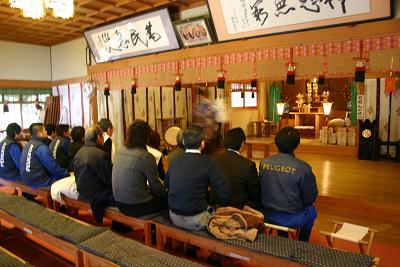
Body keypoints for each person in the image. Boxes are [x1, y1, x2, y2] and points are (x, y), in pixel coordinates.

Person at [165, 125, 230, 231]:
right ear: (202, 143)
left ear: (183, 142)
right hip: (197, 220)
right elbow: (224, 189)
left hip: (174, 217)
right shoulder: (208, 162)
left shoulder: (175, 160)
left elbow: (167, 184)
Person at [259, 127, 318, 242]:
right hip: (292, 218)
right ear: (297, 144)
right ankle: (303, 243)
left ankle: (283, 238)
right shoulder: (303, 168)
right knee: (311, 210)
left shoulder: (264, 163)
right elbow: (310, 198)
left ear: (276, 142)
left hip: (267, 214)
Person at [112, 120, 168, 217]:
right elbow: (157, 189)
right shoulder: (146, 156)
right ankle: (159, 230)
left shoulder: (120, 150)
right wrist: (167, 193)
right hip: (136, 206)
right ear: (146, 136)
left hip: (119, 202)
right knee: (170, 200)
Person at [72, 126, 113, 224]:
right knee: (121, 194)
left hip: (82, 192)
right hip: (96, 195)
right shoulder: (100, 154)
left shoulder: (80, 152)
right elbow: (109, 179)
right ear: (98, 137)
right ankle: (118, 225)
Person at [214, 127, 260, 209]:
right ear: (242, 144)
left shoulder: (214, 160)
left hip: (218, 206)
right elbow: (255, 193)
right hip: (240, 209)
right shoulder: (248, 165)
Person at [20, 123, 69, 189]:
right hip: (39, 181)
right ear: (40, 133)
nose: (46, 132)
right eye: (45, 130)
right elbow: (52, 167)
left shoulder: (28, 144)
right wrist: (67, 173)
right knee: (65, 179)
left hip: (26, 179)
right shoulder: (41, 147)